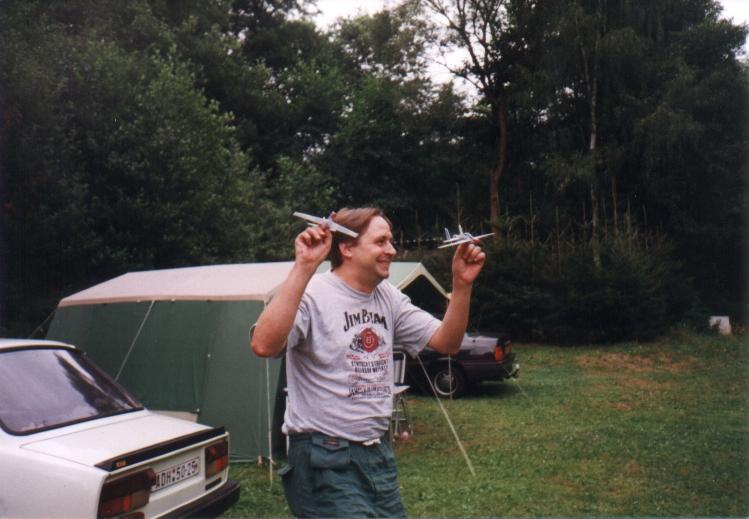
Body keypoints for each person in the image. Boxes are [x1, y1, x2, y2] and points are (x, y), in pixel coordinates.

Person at [251, 207, 486, 518]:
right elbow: (263, 345)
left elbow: (447, 342)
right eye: (380, 241)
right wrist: (303, 267)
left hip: (377, 455)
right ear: (347, 248)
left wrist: (462, 285)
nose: (392, 250)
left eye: (390, 241)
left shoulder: (387, 297)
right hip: (324, 456)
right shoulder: (312, 294)